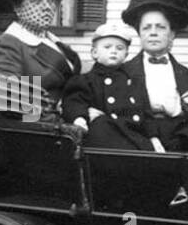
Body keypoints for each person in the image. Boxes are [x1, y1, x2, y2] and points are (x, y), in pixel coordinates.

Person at [120, 0, 188, 151]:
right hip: (137, 142)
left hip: (180, 142)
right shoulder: (122, 73)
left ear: (172, 34)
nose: (153, 33)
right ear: (139, 34)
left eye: (160, 27)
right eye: (146, 28)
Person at [62, 21, 164, 151]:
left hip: (134, 136)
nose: (114, 51)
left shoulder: (134, 82)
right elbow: (74, 101)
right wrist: (80, 118)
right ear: (94, 53)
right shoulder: (86, 80)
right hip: (105, 136)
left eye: (119, 48)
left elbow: (146, 114)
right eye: (107, 47)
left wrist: (154, 138)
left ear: (126, 55)